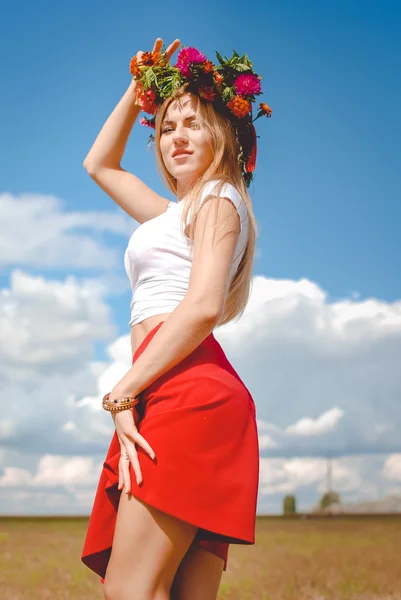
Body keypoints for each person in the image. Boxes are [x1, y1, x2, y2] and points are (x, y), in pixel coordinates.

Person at [80, 37, 272, 600]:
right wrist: (139, 90)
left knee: (130, 590)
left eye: (193, 123)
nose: (177, 137)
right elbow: (98, 164)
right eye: (166, 127)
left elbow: (204, 305)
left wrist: (123, 391)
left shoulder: (217, 197)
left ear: (225, 135)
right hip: (174, 387)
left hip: (187, 390)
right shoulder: (172, 214)